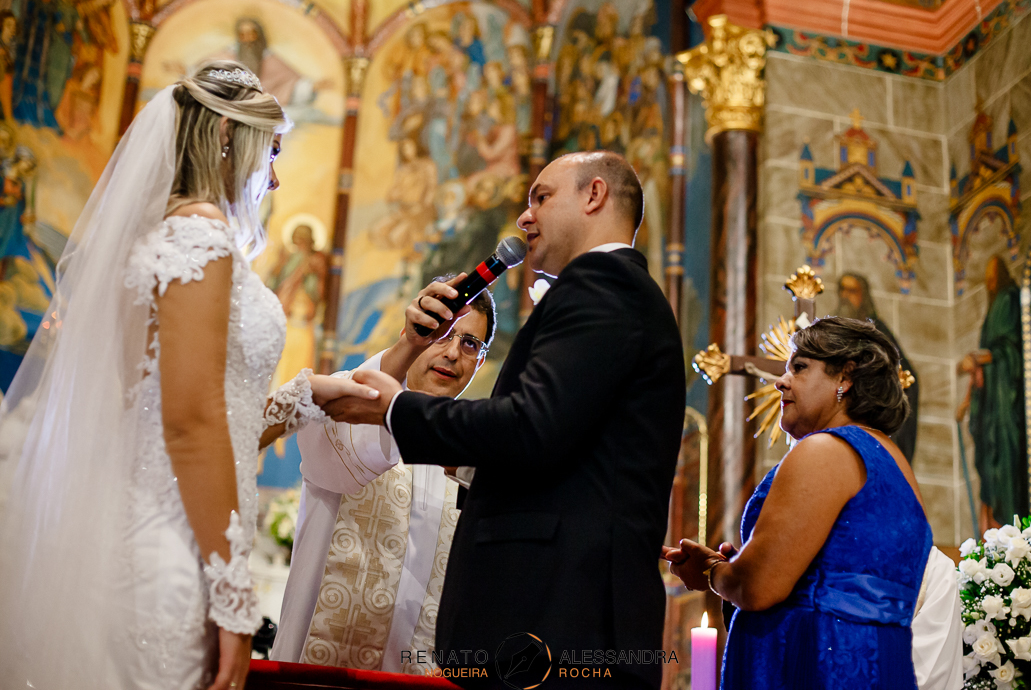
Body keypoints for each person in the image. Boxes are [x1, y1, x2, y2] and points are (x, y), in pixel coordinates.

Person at [0, 60, 379, 690]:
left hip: (163, 532)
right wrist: (233, 597)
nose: (276, 176)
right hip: (173, 549)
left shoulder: (162, 236)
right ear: (228, 137)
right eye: (271, 151)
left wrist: (303, 396)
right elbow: (190, 425)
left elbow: (181, 415)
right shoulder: (199, 237)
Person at [329, 150, 686, 689]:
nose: (524, 217)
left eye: (542, 197)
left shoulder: (602, 282)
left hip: (558, 617)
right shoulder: (620, 289)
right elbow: (566, 441)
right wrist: (468, 463)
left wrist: (397, 408)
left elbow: (531, 426)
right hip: (564, 619)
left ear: (594, 195)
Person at [665, 316, 934, 690]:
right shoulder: (895, 461)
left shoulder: (824, 450)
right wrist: (749, 563)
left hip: (818, 663)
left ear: (845, 377)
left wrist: (712, 572)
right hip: (881, 663)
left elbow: (758, 587)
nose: (781, 381)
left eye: (800, 367)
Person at [270, 277, 495, 672]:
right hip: (321, 669)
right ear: (414, 331)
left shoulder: (477, 446)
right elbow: (334, 412)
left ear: (480, 361)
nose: (452, 353)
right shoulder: (352, 407)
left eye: (470, 343)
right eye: (442, 334)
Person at [957, 255, 1024, 532]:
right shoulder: (993, 307)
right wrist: (966, 402)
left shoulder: (1008, 299)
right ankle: (990, 532)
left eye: (993, 278)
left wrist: (979, 359)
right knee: (987, 463)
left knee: (1003, 459)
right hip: (988, 405)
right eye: (988, 280)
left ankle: (1005, 528)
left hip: (1004, 403)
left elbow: (1010, 350)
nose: (990, 284)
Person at [836, 272, 920, 462]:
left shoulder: (876, 331)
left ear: (863, 296)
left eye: (852, 291)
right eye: (842, 290)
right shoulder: (830, 332)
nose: (845, 296)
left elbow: (906, 377)